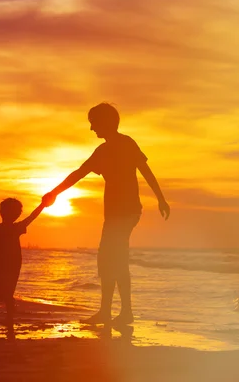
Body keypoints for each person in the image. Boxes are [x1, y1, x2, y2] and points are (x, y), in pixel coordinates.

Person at [43, 103, 170, 325]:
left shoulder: (126, 143)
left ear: (105, 122)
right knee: (112, 261)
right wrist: (54, 193)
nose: (92, 128)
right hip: (113, 214)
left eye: (94, 123)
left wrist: (160, 198)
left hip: (126, 212)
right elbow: (78, 174)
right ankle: (114, 312)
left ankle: (117, 312)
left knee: (113, 259)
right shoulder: (102, 151)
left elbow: (146, 171)